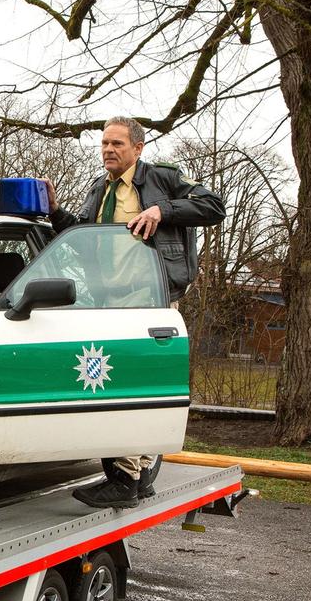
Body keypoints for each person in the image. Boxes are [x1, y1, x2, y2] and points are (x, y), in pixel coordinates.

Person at [43, 116, 225, 509]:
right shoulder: (99, 190)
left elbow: (213, 205)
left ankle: (124, 479)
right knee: (137, 386)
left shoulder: (163, 179)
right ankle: (138, 477)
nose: (108, 150)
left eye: (117, 144)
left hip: (149, 299)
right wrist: (56, 212)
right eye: (105, 143)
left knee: (124, 385)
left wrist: (163, 211)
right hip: (109, 303)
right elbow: (81, 239)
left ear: (138, 149)